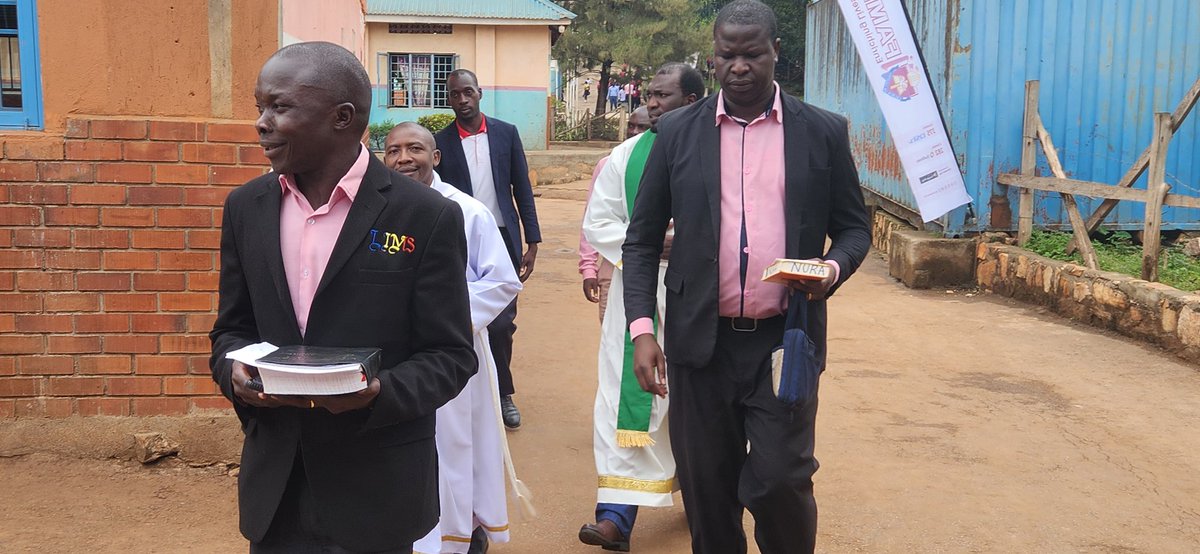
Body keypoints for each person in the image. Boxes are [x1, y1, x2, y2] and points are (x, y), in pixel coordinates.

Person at [621, 2, 872, 553]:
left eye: (752, 53)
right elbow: (640, 241)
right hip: (698, 345)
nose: (739, 66)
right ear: (712, 57)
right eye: (727, 55)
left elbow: (855, 230)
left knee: (782, 479)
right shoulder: (678, 132)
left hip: (786, 341)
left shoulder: (823, 132)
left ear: (774, 52)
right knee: (708, 493)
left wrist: (830, 269)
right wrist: (642, 329)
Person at [209, 42, 477, 553]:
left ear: (342, 117)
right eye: (259, 107)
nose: (262, 123)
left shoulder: (426, 216)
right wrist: (234, 372)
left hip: (377, 489)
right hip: (277, 488)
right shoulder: (246, 208)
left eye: (280, 107)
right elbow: (231, 331)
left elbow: (451, 355)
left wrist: (379, 393)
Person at [579, 64, 704, 552]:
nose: (651, 104)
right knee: (622, 401)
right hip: (639, 300)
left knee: (697, 404)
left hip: (701, 298)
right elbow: (599, 220)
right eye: (649, 95)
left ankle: (704, 499)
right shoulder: (624, 156)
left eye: (663, 96)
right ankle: (614, 517)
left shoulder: (717, 153)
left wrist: (688, 242)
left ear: (692, 100)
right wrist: (646, 246)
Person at [384, 123, 522, 554]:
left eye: (414, 149)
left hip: (452, 350)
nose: (404, 158)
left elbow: (501, 281)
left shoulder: (468, 211)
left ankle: (458, 534)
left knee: (455, 444)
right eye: (393, 151)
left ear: (436, 156)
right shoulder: (379, 212)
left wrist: (440, 319)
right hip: (397, 355)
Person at [434, 69, 541, 430]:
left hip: (504, 239)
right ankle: (464, 391)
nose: (462, 101)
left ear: (479, 93)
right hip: (460, 241)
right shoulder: (441, 142)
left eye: (468, 93)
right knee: (460, 319)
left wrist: (533, 240)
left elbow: (521, 190)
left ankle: (503, 393)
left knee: (500, 325)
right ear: (448, 99)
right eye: (454, 95)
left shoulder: (506, 134)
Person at [579, 106, 651, 322]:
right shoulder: (610, 162)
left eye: (642, 127)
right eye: (631, 126)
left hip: (663, 271)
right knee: (615, 341)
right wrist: (589, 269)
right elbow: (593, 218)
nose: (635, 131)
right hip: (614, 269)